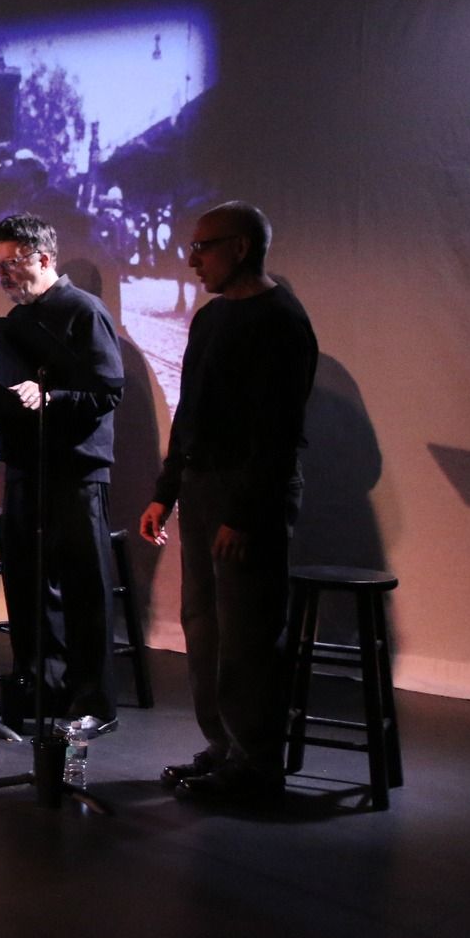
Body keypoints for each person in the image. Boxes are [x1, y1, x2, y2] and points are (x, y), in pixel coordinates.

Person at [140, 202, 318, 805]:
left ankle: (255, 765)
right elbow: (189, 413)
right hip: (203, 487)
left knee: (247, 630)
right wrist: (166, 491)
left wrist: (245, 513)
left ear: (241, 247)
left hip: (249, 494)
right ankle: (223, 749)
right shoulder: (212, 318)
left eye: (204, 246)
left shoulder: (282, 321)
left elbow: (277, 431)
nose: (192, 259)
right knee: (205, 625)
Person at [0, 213, 123, 727]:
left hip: (75, 471)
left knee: (83, 589)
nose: (1, 276)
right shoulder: (18, 320)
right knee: (27, 586)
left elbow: (109, 391)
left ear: (43, 258)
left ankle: (93, 702)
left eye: (10, 264)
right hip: (26, 468)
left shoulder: (84, 311)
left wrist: (51, 397)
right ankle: (39, 690)